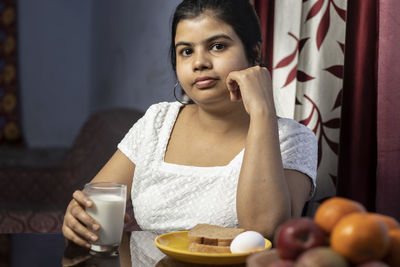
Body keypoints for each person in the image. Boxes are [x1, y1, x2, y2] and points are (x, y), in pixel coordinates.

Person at [62, 0, 317, 249]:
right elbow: (94, 204)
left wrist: (262, 111)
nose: (199, 63)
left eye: (217, 46)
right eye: (186, 51)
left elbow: (264, 232)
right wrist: (78, 218)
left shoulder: (293, 139)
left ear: (255, 52)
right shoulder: (157, 123)